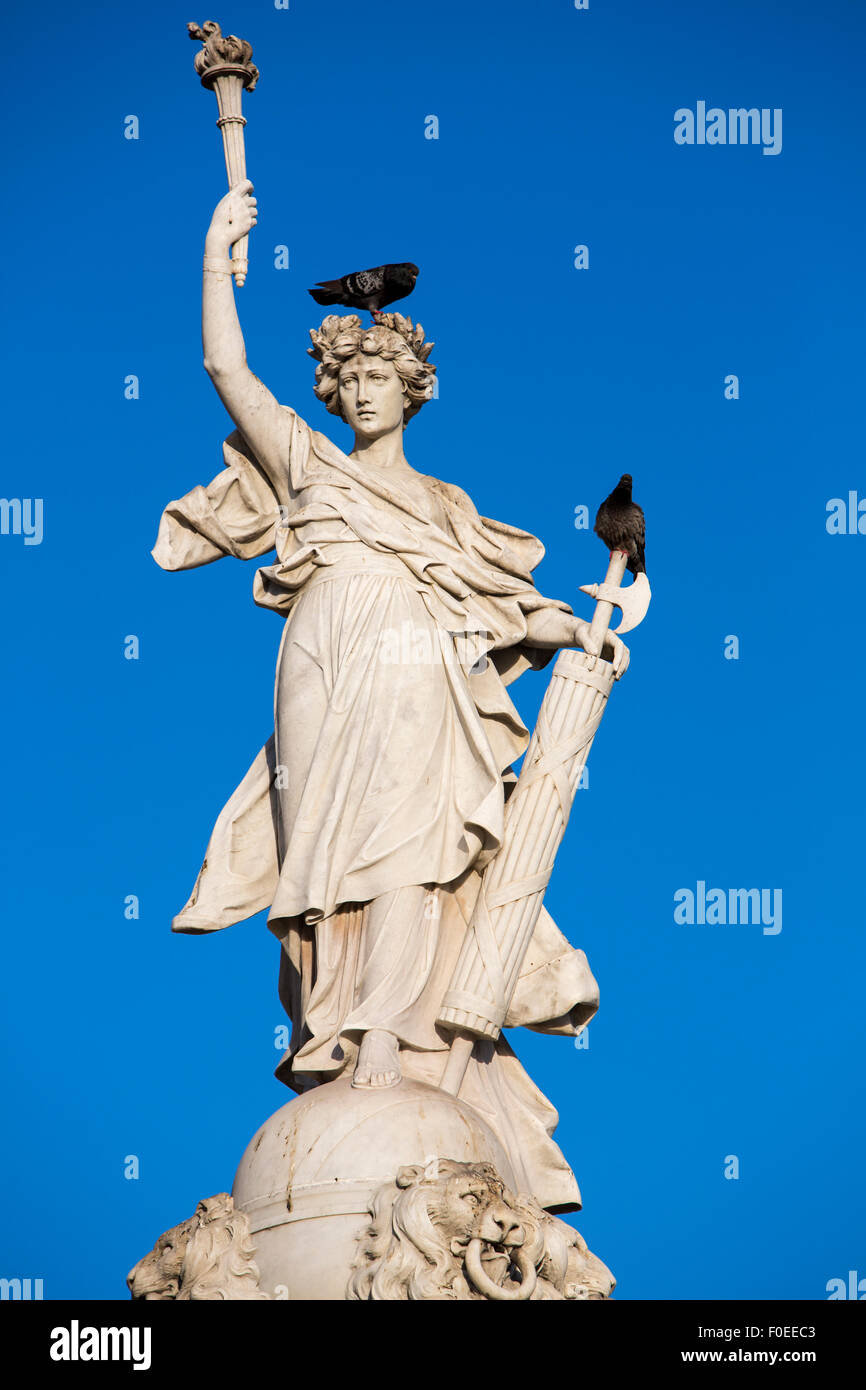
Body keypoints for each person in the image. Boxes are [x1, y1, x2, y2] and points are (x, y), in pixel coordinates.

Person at [152, 183, 627, 1210]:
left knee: (418, 842)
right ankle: (331, 1025)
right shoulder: (309, 468)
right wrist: (214, 256)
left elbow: (510, 610)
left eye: (384, 375)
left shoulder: (445, 507)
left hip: (424, 682)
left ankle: (385, 1040)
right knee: (323, 853)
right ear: (331, 388)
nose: (366, 391)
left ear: (413, 387)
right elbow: (225, 368)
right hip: (324, 664)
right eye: (351, 375)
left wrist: (580, 628)